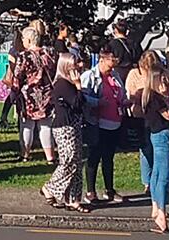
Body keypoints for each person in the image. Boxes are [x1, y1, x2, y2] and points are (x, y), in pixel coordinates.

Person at [80, 46, 125, 204]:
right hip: (97, 123)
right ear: (102, 59)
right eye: (111, 61)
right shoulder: (90, 76)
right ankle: (90, 191)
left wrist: (125, 101)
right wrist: (98, 102)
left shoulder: (115, 76)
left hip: (114, 122)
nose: (113, 64)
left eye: (115, 61)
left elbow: (121, 93)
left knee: (109, 157)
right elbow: (83, 97)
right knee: (94, 156)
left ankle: (109, 190)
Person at [43, 53, 87, 212]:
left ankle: (73, 198)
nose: (79, 66)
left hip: (74, 124)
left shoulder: (69, 84)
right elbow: (76, 103)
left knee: (77, 161)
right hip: (64, 126)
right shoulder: (63, 84)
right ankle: (50, 187)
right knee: (68, 160)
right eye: (75, 64)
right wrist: (78, 86)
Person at [141, 59, 169, 234]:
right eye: (162, 80)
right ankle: (162, 214)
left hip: (154, 135)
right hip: (163, 135)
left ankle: (156, 207)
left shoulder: (147, 96)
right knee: (163, 175)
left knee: (155, 173)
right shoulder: (157, 98)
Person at [12, 26, 56, 163]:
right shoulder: (49, 53)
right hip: (47, 94)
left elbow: (17, 75)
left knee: (27, 125)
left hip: (29, 95)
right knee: (46, 126)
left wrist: (14, 91)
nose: (23, 41)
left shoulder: (24, 56)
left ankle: (25, 154)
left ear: (29, 40)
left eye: (24, 39)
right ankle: (50, 157)